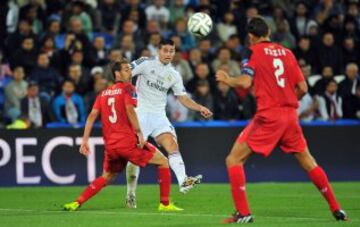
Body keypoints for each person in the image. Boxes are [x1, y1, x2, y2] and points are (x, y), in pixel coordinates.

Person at [216, 17, 348, 224]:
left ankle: (243, 213)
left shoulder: (251, 51)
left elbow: (245, 82)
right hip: (290, 116)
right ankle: (337, 208)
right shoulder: (287, 52)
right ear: (268, 32)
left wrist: (227, 79)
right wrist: (286, 103)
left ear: (251, 37)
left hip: (269, 116)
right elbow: (303, 88)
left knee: (233, 160)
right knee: (309, 162)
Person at [63, 59, 182, 212]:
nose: (130, 72)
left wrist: (84, 140)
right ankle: (165, 204)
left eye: (129, 69)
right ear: (117, 73)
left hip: (111, 146)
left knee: (107, 176)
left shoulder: (103, 93)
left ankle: (76, 202)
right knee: (164, 162)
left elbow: (92, 116)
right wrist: (139, 132)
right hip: (127, 142)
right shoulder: (128, 88)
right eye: (126, 69)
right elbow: (130, 110)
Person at [125, 39, 213, 208]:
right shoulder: (145, 63)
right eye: (165, 50)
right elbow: (126, 73)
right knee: (134, 157)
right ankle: (130, 193)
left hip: (159, 116)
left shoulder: (174, 74)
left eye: (171, 51)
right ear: (158, 50)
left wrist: (199, 107)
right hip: (140, 114)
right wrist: (124, 92)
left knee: (172, 145)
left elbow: (182, 98)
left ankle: (183, 181)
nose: (168, 54)